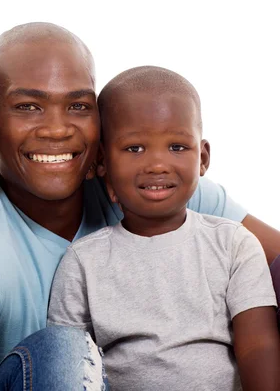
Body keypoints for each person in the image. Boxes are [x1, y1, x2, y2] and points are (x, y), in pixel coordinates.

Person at [0, 23, 280, 390]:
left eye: (78, 105)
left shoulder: (156, 189)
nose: (56, 129)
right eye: (28, 106)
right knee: (63, 348)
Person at [47, 66, 280, 391]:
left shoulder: (233, 244)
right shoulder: (83, 261)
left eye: (177, 147)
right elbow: (68, 364)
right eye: (134, 148)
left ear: (203, 158)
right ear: (102, 161)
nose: (157, 164)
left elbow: (258, 345)